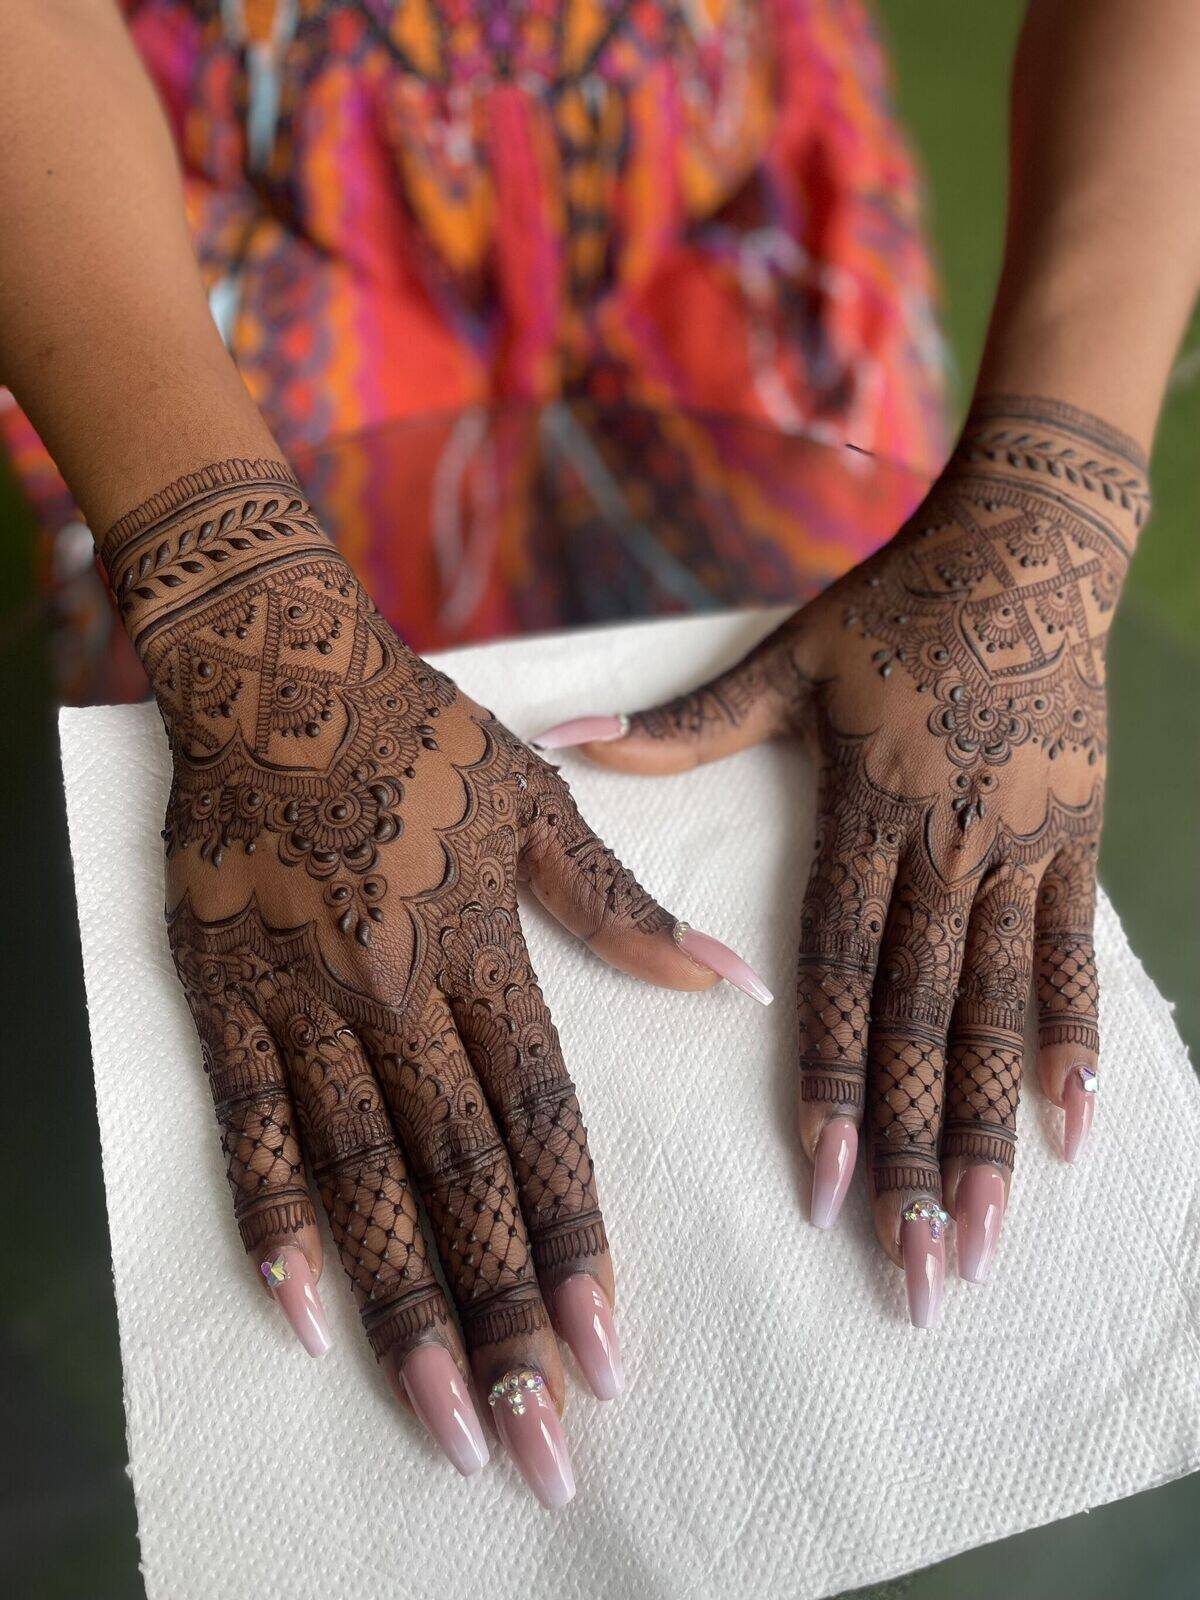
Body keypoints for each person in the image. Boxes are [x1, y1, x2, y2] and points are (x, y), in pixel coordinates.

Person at [1, 0, 1195, 1513]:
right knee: (275, 863)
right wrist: (231, 587)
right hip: (179, 170)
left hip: (715, 141)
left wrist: (1053, 501)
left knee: (858, 720)